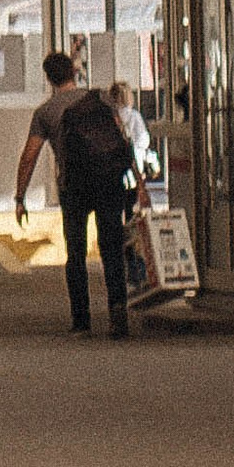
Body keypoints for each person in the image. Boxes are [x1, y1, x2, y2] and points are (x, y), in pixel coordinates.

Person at [51, 80, 142, 341]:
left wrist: (21, 196)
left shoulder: (57, 113)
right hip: (109, 184)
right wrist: (140, 185)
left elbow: (45, 155)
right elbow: (125, 144)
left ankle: (81, 321)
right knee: (111, 250)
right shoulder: (105, 105)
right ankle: (117, 311)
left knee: (76, 254)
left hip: (76, 188)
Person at [10, 49, 86, 223]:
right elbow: (124, 139)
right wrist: (140, 187)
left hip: (73, 183)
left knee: (76, 243)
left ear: (49, 79)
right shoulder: (100, 99)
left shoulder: (45, 112)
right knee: (111, 241)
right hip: (108, 179)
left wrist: (20, 198)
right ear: (73, 72)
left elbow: (29, 157)